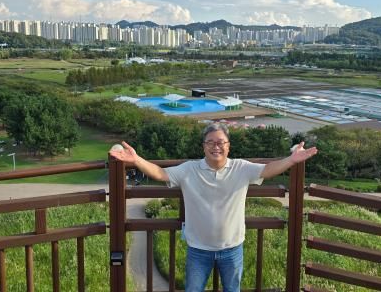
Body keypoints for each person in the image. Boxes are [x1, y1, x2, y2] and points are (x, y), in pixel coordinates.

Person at [109, 123, 317, 292]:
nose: (216, 146)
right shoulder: (190, 169)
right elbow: (160, 173)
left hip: (233, 248)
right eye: (210, 142)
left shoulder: (241, 168)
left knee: (232, 290)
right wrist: (135, 159)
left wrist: (291, 160)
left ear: (228, 146)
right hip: (198, 249)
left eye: (220, 142)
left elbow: (268, 170)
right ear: (203, 146)